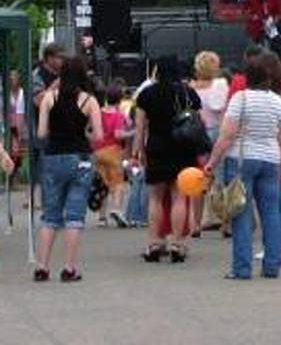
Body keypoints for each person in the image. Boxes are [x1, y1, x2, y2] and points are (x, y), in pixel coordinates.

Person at [205, 51, 281, 279]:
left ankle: (242, 268)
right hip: (271, 160)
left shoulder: (240, 99)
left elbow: (227, 135)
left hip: (241, 160)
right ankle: (272, 265)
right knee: (271, 213)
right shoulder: (279, 102)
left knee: (240, 213)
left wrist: (211, 163)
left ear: (247, 77)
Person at [34, 56, 103, 282]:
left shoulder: (48, 99)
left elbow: (42, 134)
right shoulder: (89, 100)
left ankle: (42, 266)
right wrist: (84, 134)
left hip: (53, 158)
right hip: (80, 158)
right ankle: (69, 267)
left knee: (50, 216)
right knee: (74, 216)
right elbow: (99, 136)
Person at [133, 56, 201, 263]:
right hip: (183, 147)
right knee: (180, 197)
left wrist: (138, 150)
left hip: (157, 147)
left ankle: (154, 242)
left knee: (155, 197)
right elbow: (197, 122)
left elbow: (140, 127)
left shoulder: (147, 94)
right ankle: (177, 244)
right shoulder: (188, 93)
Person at [190, 51, 229, 233]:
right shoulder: (220, 85)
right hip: (216, 131)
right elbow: (221, 111)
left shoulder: (191, 88)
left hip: (196, 134)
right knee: (220, 177)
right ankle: (225, 222)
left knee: (197, 178)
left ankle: (196, 223)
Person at [31, 43, 66, 205]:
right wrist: (55, 86)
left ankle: (58, 202)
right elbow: (38, 100)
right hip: (44, 128)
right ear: (49, 58)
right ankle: (48, 204)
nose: (62, 61)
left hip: (63, 128)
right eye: (59, 57)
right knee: (46, 167)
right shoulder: (38, 75)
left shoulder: (64, 74)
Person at [96, 80, 133, 228]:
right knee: (118, 183)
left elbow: (90, 129)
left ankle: (101, 217)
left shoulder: (99, 111)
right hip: (113, 151)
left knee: (102, 184)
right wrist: (132, 133)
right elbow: (118, 134)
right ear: (119, 99)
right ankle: (116, 209)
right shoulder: (118, 115)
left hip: (98, 151)